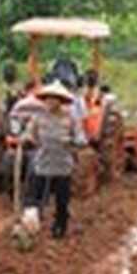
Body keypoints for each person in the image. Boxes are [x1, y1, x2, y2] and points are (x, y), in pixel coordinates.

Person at [24, 81, 87, 239]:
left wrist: (72, 141)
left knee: (61, 202)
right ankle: (32, 227)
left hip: (62, 166)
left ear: (61, 100)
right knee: (35, 199)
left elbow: (81, 139)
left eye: (54, 98)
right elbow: (29, 134)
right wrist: (27, 139)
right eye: (48, 98)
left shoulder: (70, 119)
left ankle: (60, 228)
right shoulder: (38, 118)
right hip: (42, 164)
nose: (50, 102)